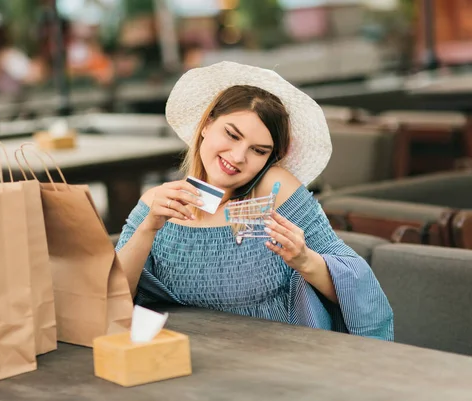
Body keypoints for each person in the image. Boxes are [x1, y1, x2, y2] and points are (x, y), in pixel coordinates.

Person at [115, 61, 393, 341]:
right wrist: (148, 229)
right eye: (232, 135)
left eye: (258, 151)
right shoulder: (157, 202)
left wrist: (305, 260)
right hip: (178, 356)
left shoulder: (275, 190)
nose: (237, 157)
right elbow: (112, 298)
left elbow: (357, 283)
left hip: (274, 355)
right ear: (206, 124)